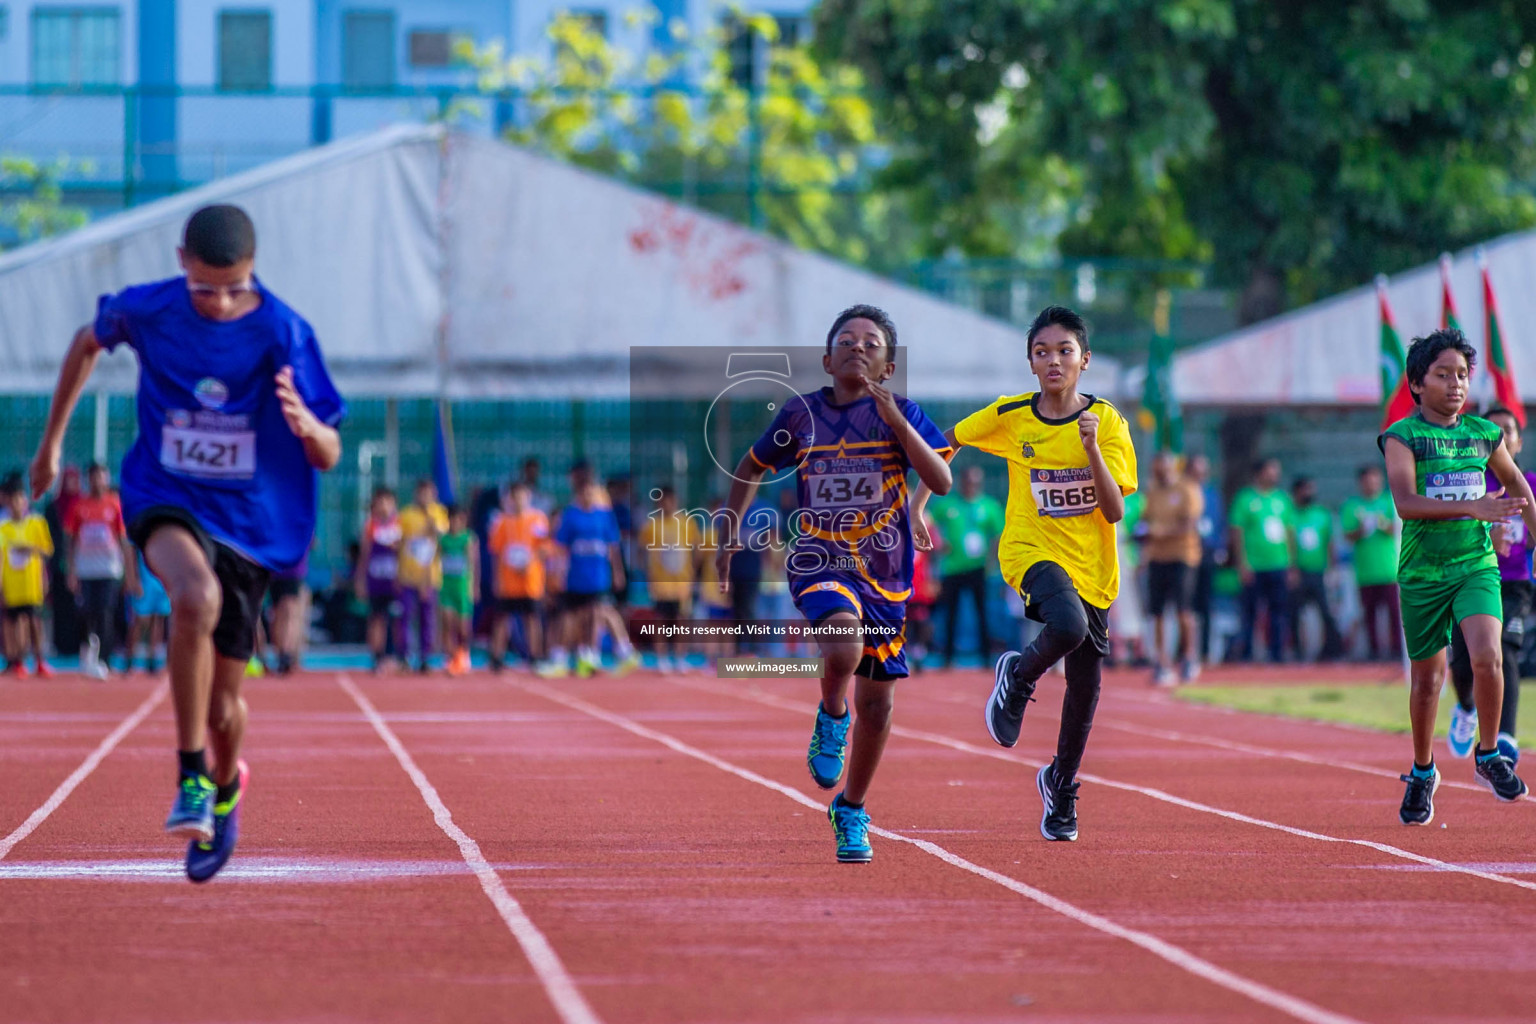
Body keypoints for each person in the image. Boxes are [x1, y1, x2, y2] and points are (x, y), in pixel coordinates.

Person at [28, 203, 344, 882]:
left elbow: (329, 451)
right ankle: (191, 775)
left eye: (237, 287)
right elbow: (87, 340)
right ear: (181, 263)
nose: (223, 302)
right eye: (206, 288)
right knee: (192, 597)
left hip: (249, 521)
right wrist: (52, 444)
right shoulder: (151, 310)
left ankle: (226, 783)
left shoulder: (283, 330)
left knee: (227, 708)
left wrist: (305, 425)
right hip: (164, 493)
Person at [720, 303, 952, 864]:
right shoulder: (801, 415)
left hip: (887, 575)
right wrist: (729, 537)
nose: (858, 347)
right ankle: (831, 714)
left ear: (889, 367)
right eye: (846, 341)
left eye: (872, 343)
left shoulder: (904, 414)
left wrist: (898, 424)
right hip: (821, 560)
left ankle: (851, 809)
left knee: (878, 705)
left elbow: (940, 479)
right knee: (844, 643)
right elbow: (750, 467)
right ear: (827, 359)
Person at [915, 305, 1136, 843]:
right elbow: (943, 443)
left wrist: (1090, 451)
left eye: (1065, 351)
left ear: (1085, 360)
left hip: (1094, 566)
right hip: (1028, 549)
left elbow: (1113, 511)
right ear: (1031, 363)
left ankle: (1060, 787)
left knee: (1085, 689)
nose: (1054, 360)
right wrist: (919, 504)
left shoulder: (1106, 422)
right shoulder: (1012, 414)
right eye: (1042, 352)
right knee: (1067, 625)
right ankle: (1016, 679)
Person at [1382, 329, 1533, 825]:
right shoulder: (1403, 437)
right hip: (1424, 573)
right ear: (1417, 383)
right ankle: (1423, 771)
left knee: (1490, 657)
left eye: (1463, 376)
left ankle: (1489, 754)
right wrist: (1475, 507)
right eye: (1443, 375)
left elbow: (1517, 486)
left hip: (1475, 566)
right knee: (1429, 680)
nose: (1455, 384)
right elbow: (1405, 503)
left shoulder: (1484, 434)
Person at [1446, 406, 1535, 765]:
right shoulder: (1468, 481)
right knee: (1465, 662)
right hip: (1468, 579)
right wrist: (1485, 532)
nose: (1500, 434)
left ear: (1517, 440)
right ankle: (1466, 706)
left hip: (1513, 584)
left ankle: (1505, 737)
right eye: (1492, 428)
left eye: (1507, 429)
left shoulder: (1528, 482)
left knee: (1506, 652)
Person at [543, 462, 628, 678]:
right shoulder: (570, 516)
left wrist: (617, 572)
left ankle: (593, 655)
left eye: (592, 491)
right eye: (585, 492)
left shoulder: (604, 516)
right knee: (571, 616)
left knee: (596, 615)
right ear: (579, 494)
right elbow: (561, 549)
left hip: (598, 577)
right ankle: (562, 657)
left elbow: (613, 548)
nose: (589, 495)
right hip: (576, 577)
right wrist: (558, 573)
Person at [65, 463, 135, 678]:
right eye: (94, 477)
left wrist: (129, 573)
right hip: (85, 570)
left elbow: (123, 541)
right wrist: (71, 570)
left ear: (106, 479)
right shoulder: (78, 506)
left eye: (102, 477)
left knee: (105, 613)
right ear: (89, 479)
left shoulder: (114, 506)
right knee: (86, 613)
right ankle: (87, 652)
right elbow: (70, 540)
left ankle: (104, 659)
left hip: (108, 570)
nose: (98, 481)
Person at [931, 464, 1004, 667]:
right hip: (952, 567)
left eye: (976, 482)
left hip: (978, 567)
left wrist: (991, 558)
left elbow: (998, 534)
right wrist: (938, 542)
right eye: (969, 481)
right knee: (950, 613)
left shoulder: (989, 505)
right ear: (962, 482)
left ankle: (986, 657)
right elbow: (930, 522)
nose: (972, 486)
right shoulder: (949, 505)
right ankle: (947, 657)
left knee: (982, 612)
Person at [1141, 451, 1204, 685]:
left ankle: (1189, 657)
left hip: (1182, 556)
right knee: (1156, 612)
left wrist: (1159, 532)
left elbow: (1189, 524)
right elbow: (1145, 520)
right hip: (1157, 557)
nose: (1159, 473)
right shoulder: (1153, 491)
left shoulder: (1187, 489)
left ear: (1172, 467)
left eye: (1163, 468)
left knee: (1183, 609)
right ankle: (1161, 660)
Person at [1229, 458, 1296, 663]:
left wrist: (1292, 564)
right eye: (1271, 470)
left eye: (1277, 471)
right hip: (1254, 566)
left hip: (1279, 564)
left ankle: (1277, 654)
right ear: (1259, 473)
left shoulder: (1282, 500)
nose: (1275, 475)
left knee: (1278, 612)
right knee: (1250, 613)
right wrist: (1242, 563)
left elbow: (1289, 533)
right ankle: (1247, 654)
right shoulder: (1245, 499)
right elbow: (1236, 532)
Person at [488, 481, 550, 671]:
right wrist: (496, 579)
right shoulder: (502, 522)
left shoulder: (538, 520)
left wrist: (529, 562)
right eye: (514, 496)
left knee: (531, 618)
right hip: (508, 581)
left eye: (521, 496)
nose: (518, 500)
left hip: (530, 580)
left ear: (528, 497)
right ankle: (497, 656)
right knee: (503, 619)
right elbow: (496, 552)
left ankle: (535, 655)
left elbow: (545, 547)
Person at [1341, 465, 1401, 661]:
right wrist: (1361, 530)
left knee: (1395, 614)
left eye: (1375, 480)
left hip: (1390, 570)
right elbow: (1348, 536)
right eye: (1367, 481)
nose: (1371, 485)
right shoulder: (1352, 506)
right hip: (1366, 572)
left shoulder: (1389, 502)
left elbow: (1399, 529)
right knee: (1370, 615)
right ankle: (1374, 651)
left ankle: (1396, 650)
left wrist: (1383, 525)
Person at [640, 485, 702, 673]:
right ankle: (661, 657)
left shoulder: (687, 523)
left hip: (682, 583)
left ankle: (680, 657)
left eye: (669, 500)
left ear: (675, 501)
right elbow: (642, 552)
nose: (666, 504)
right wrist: (648, 574)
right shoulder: (652, 526)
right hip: (660, 582)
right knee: (660, 620)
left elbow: (697, 548)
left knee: (680, 620)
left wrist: (693, 572)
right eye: (662, 501)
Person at [0, 477, 56, 678]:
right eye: (12, 499)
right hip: (12, 585)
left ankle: (40, 661)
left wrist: (31, 549)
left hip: (32, 584)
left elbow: (47, 551)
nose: (16, 503)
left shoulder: (36, 523)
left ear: (25, 500)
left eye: (20, 499)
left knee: (34, 622)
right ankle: (18, 661)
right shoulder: (3, 527)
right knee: (14, 624)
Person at [1289, 476, 1345, 661]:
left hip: (1319, 571)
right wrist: (1292, 568)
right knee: (1294, 614)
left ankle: (1331, 650)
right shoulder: (1290, 515)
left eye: (1311, 489)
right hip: (1299, 572)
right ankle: (1297, 651)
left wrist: (1332, 569)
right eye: (1305, 490)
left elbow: (1330, 543)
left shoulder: (1322, 514)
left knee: (1326, 613)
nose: (1309, 494)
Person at [397, 479, 448, 673]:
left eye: (429, 493)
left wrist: (430, 520)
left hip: (430, 577)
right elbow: (399, 542)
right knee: (406, 616)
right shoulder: (406, 514)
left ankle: (426, 656)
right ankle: (405, 656)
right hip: (408, 575)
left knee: (428, 618)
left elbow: (442, 535)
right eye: (421, 492)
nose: (424, 497)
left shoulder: (439, 513)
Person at [356, 487, 403, 673]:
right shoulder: (370, 527)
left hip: (394, 582)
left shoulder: (399, 525)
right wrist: (360, 581)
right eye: (379, 502)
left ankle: (395, 655)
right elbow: (364, 557)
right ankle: (377, 656)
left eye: (387, 502)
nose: (383, 506)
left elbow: (404, 554)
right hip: (375, 581)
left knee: (395, 619)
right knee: (376, 619)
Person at [1186, 454, 1224, 666]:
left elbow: (1219, 521)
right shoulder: (1182, 492)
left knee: (1206, 604)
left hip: (1207, 552)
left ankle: (1206, 651)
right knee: (1185, 605)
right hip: (1186, 554)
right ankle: (1184, 651)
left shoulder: (1212, 494)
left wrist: (1219, 547)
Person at [439, 504, 478, 676]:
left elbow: (473, 565)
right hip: (446, 587)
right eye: (453, 519)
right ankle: (451, 657)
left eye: (459, 519)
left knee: (463, 626)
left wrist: (473, 586)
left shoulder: (468, 539)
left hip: (462, 587)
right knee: (447, 623)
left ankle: (464, 654)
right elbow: (435, 561)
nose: (456, 523)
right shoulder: (443, 540)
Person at [126, 550, 172, 674]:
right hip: (145, 581)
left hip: (161, 583)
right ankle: (129, 659)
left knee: (158, 621)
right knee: (140, 621)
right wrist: (133, 579)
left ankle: (152, 660)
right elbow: (130, 552)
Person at [266, 555, 309, 676]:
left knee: (288, 612)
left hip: (291, 569)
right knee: (280, 613)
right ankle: (281, 654)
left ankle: (285, 654)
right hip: (275, 567)